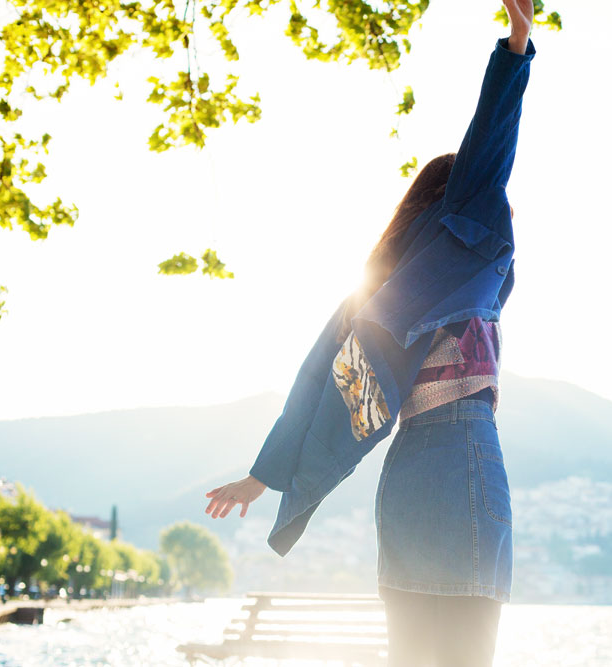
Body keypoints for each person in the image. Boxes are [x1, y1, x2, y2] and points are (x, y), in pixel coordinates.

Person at [204, 2, 535, 664]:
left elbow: (320, 374)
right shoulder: (470, 231)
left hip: (407, 470)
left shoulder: (380, 289)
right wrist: (516, 49)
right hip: (465, 459)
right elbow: (489, 153)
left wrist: (263, 475)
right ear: (460, 199)